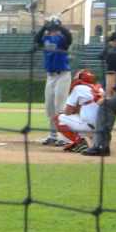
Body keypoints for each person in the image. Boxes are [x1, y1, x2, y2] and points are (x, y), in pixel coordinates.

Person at [35, 16, 73, 146]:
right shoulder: (45, 39)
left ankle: (64, 137)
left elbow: (69, 37)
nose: (53, 31)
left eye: (54, 29)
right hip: (50, 76)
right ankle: (53, 135)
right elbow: (36, 40)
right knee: (49, 107)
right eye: (51, 29)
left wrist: (59, 25)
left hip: (62, 75)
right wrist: (45, 26)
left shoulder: (62, 40)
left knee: (60, 106)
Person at [54, 69, 104, 153]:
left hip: (89, 127)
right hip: (103, 128)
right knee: (82, 118)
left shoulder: (78, 88)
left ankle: (80, 142)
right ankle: (95, 142)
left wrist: (64, 112)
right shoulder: (100, 89)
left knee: (58, 118)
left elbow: (68, 111)